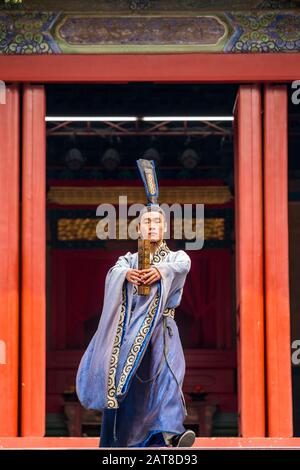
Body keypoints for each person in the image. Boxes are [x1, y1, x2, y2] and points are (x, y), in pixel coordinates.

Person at [76, 204, 195, 447]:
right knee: (127, 385)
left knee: (168, 377)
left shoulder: (175, 257)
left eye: (157, 222)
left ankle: (170, 432)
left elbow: (183, 265)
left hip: (163, 330)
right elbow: (114, 273)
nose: (152, 226)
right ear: (139, 229)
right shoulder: (128, 260)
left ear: (165, 228)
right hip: (132, 334)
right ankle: (125, 439)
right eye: (147, 222)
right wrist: (126, 275)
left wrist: (161, 271)